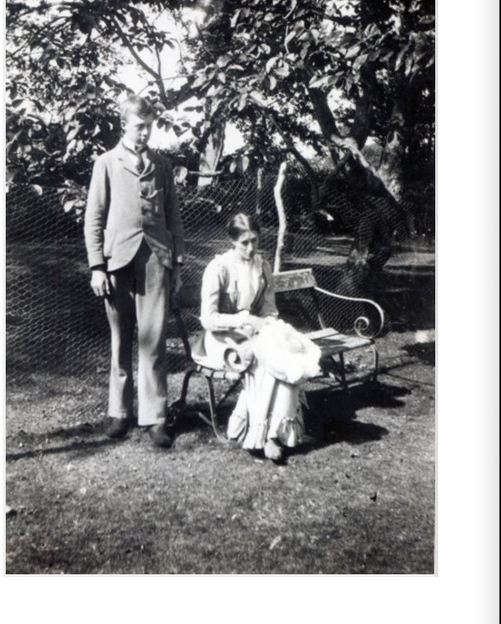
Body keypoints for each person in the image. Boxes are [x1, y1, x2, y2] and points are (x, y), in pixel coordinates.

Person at [84, 93, 185, 448]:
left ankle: (156, 416)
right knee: (120, 339)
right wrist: (97, 266)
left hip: (157, 261)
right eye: (139, 127)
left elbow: (173, 217)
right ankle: (119, 412)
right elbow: (93, 219)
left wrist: (178, 262)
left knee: (154, 340)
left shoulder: (163, 165)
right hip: (117, 263)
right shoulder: (106, 163)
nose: (145, 134)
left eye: (150, 127)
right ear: (124, 124)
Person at [197, 213, 322, 463]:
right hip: (219, 340)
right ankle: (262, 435)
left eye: (254, 240)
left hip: (252, 334)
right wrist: (244, 320)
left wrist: (268, 326)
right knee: (263, 360)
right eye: (244, 242)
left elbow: (269, 310)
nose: (251, 248)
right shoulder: (219, 268)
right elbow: (208, 319)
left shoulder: (261, 267)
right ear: (232, 241)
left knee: (285, 354)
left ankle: (273, 433)